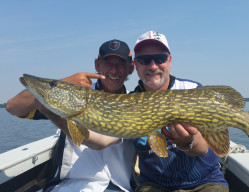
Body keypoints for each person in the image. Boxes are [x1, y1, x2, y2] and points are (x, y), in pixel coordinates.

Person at [6, 39, 136, 192]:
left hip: (117, 187)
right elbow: (12, 107)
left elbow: (99, 143)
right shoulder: (70, 96)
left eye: (120, 64)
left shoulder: (133, 103)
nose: (114, 70)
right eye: (108, 63)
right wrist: (64, 83)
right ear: (97, 65)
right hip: (69, 185)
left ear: (130, 68)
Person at [131, 31, 229, 192]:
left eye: (160, 58)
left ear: (169, 60)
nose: (153, 66)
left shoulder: (192, 90)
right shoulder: (128, 101)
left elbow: (203, 148)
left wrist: (187, 142)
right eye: (144, 60)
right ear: (136, 64)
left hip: (205, 183)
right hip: (155, 186)